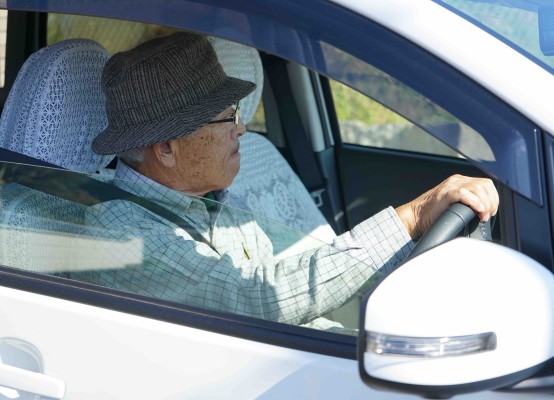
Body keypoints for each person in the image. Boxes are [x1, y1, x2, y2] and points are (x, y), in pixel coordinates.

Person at [80, 32, 498, 326]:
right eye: (227, 116)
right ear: (167, 148)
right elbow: (263, 299)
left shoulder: (215, 202)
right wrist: (412, 217)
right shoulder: (121, 235)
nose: (241, 128)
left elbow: (293, 306)